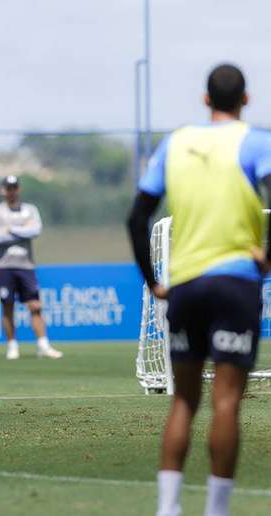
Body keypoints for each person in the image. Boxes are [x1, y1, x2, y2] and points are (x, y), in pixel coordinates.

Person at [127, 63, 271, 516]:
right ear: (245, 99)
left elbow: (136, 218)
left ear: (205, 100)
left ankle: (168, 509)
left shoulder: (176, 142)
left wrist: (153, 281)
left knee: (184, 401)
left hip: (185, 286)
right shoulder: (257, 142)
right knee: (226, 401)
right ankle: (216, 510)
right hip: (236, 284)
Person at [0, 175, 61, 359]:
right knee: (8, 306)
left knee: (35, 305)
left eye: (14, 187)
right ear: (3, 190)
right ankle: (12, 346)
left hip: (26, 265)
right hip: (4, 265)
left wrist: (10, 229)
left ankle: (43, 344)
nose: (12, 191)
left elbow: (35, 231)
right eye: (8, 188)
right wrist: (22, 230)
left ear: (18, 189)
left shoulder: (30, 210)